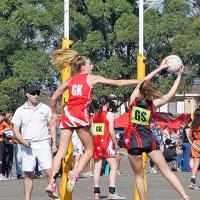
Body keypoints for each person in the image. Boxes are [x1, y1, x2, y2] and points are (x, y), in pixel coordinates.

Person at [45, 48, 139, 199]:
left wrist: (54, 112)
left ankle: (51, 183)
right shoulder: (91, 78)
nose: (92, 66)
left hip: (67, 113)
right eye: (90, 64)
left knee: (61, 151)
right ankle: (75, 174)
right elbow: (117, 83)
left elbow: (55, 95)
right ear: (83, 67)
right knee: (89, 149)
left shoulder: (70, 79)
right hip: (79, 115)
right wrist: (138, 81)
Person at [123, 59, 190, 200]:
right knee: (166, 170)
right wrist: (179, 76)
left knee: (139, 176)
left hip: (134, 140)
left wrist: (160, 68)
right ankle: (184, 196)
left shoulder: (133, 100)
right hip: (148, 139)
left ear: (140, 90)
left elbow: (142, 81)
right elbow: (169, 95)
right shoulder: (152, 105)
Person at [12, 86, 57, 200]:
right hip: (27, 145)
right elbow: (15, 130)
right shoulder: (20, 110)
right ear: (27, 94)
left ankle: (54, 196)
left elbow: (52, 127)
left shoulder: (45, 108)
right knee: (28, 174)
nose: (36, 96)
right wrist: (22, 141)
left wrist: (54, 144)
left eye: (38, 93)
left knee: (49, 171)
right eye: (33, 93)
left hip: (43, 143)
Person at [92, 95, 125, 200]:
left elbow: (92, 130)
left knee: (97, 167)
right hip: (106, 142)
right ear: (107, 103)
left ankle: (96, 193)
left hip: (97, 142)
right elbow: (111, 130)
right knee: (114, 166)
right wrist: (116, 143)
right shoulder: (109, 114)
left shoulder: (95, 114)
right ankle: (111, 192)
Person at [186, 108, 200, 189]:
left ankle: (192, 183)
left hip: (195, 144)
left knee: (196, 164)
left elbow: (189, 135)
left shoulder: (193, 124)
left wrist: (193, 142)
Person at [0, 111, 10, 181]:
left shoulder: (3, 123)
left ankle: (1, 174)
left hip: (1, 142)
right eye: (1, 117)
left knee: (1, 158)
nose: (2, 118)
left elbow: (8, 128)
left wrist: (2, 131)